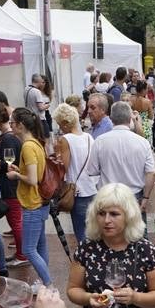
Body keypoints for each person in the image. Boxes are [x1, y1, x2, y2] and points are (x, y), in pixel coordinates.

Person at [5, 108, 52, 285]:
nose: (11, 126)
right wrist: (20, 170)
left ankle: (48, 284)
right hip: (40, 202)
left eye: (12, 123)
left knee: (28, 249)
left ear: (21, 125)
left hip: (32, 203)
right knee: (40, 246)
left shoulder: (27, 146)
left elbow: (33, 179)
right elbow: (36, 174)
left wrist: (16, 175)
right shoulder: (36, 143)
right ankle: (43, 282)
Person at [84, 102, 155, 215]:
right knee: (135, 231)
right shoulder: (143, 143)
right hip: (133, 195)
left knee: (109, 229)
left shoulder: (100, 141)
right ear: (130, 119)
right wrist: (146, 198)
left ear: (111, 118)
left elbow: (92, 171)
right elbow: (151, 173)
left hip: (108, 195)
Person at [0, 102, 27, 269]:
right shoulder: (7, 136)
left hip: (10, 187)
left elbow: (7, 164)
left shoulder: (8, 138)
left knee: (15, 222)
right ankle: (20, 252)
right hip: (9, 186)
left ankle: (22, 254)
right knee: (15, 221)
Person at [52, 103, 97, 249]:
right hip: (92, 188)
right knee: (93, 231)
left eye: (60, 124)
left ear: (65, 123)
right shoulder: (89, 137)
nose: (59, 127)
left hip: (76, 190)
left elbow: (63, 166)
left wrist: (55, 155)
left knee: (81, 232)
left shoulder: (66, 139)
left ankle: (87, 264)